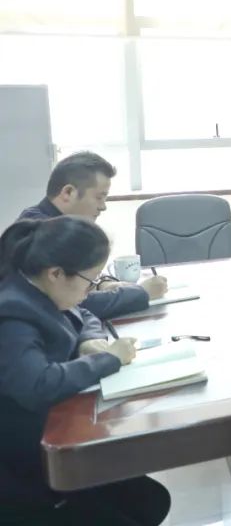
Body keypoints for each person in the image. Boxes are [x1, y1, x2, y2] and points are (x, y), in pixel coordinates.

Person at [0, 217, 170, 526]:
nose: (91, 290)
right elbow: (37, 384)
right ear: (56, 273)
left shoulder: (39, 290)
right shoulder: (12, 314)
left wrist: (89, 340)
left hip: (56, 432)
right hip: (26, 470)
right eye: (90, 281)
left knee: (151, 499)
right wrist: (109, 359)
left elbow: (84, 312)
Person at [17, 151, 167, 319]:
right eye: (99, 197)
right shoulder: (41, 234)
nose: (103, 207)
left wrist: (104, 284)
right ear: (68, 192)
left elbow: (77, 276)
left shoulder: (52, 224)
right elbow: (73, 305)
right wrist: (142, 292)